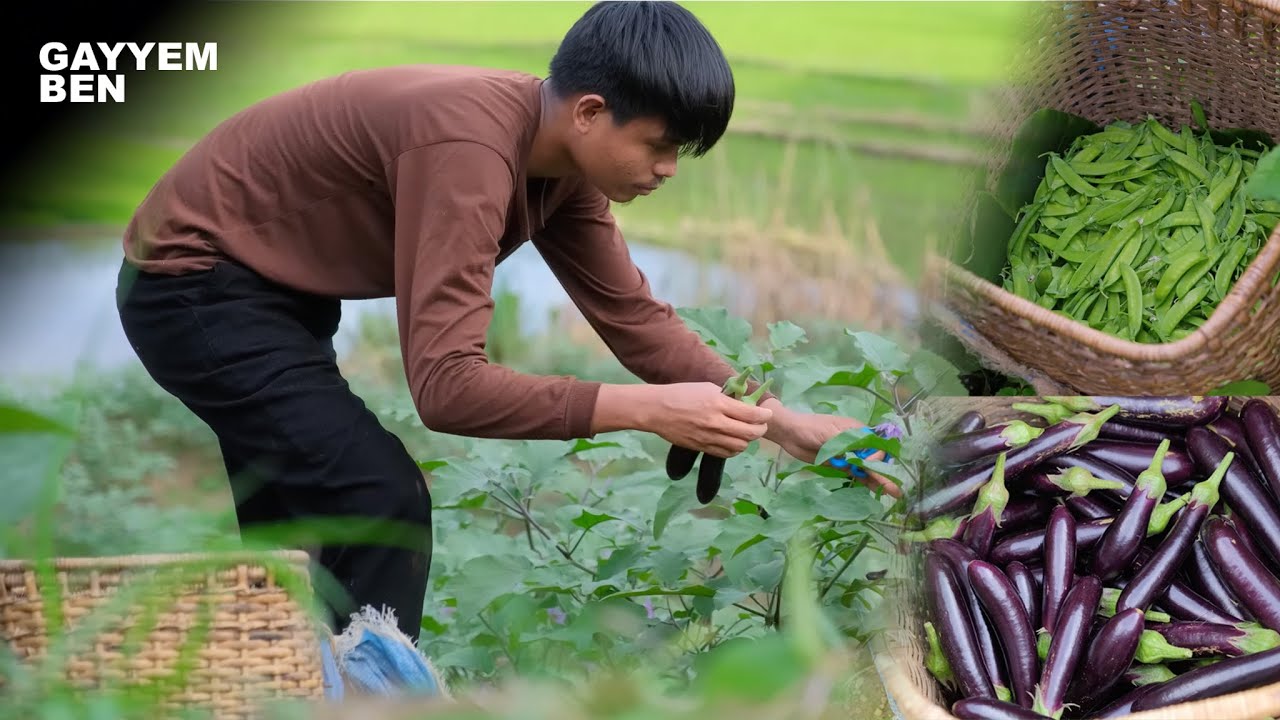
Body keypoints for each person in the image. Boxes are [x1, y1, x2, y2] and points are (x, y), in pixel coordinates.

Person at [114, 0, 894, 643]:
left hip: (274, 295)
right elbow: (447, 389)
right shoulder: (468, 148)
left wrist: (782, 422)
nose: (665, 171)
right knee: (377, 499)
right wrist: (647, 410)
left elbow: (634, 320)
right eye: (658, 146)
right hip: (194, 285)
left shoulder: (562, 169)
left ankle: (279, 686)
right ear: (590, 112)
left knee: (306, 535)